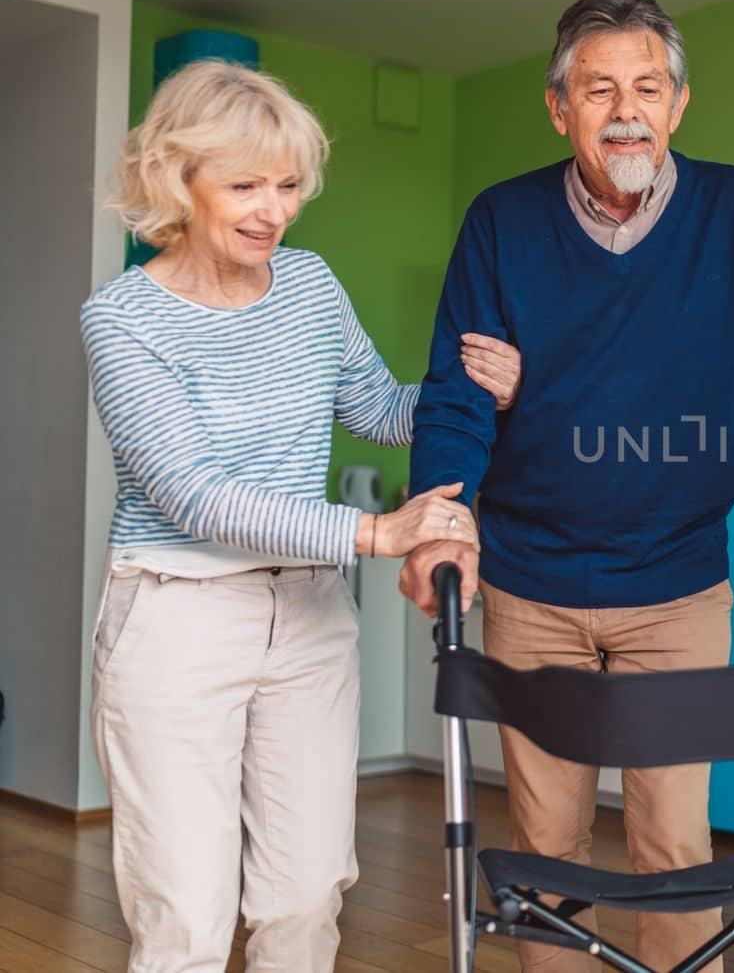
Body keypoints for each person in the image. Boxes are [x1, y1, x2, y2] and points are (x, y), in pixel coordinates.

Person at [400, 0, 734, 973]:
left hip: (678, 589)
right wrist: (440, 519)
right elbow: (457, 395)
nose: (624, 108)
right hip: (530, 584)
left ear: (677, 103)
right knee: (549, 854)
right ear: (558, 107)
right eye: (597, 88)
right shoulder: (503, 222)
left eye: (646, 87)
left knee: (675, 848)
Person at [81, 58, 523, 972]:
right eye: (244, 184)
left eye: (287, 185)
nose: (271, 209)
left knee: (309, 895)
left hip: (310, 613)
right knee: (187, 915)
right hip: (179, 609)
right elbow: (192, 494)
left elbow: (374, 406)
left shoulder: (310, 284)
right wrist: (375, 532)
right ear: (178, 178)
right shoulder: (123, 319)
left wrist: (477, 394)